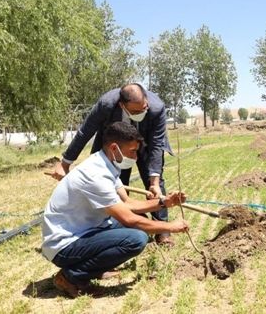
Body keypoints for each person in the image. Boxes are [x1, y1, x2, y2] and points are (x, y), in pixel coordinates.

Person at [41, 122, 189, 298]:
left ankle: (95, 268)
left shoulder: (106, 163)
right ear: (114, 148)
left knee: (137, 223)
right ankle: (70, 277)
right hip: (64, 245)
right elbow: (130, 219)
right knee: (136, 238)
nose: (135, 157)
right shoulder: (95, 175)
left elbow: (127, 203)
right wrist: (171, 227)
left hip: (84, 231)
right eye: (132, 151)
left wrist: (164, 202)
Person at [50, 83, 174, 245]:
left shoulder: (156, 108)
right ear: (122, 105)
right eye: (136, 111)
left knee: (155, 185)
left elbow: (157, 144)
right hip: (116, 149)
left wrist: (154, 182)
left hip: (146, 145)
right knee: (116, 186)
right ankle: (124, 227)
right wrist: (65, 163)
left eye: (144, 108)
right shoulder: (106, 105)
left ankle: (162, 231)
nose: (142, 112)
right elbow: (85, 132)